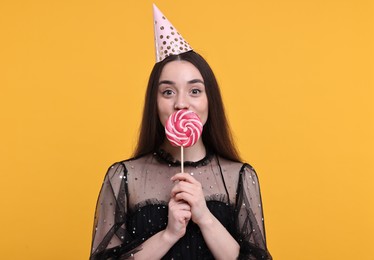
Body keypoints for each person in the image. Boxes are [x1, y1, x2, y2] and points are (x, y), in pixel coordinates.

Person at [90, 5, 272, 260]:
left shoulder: (240, 176)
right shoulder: (124, 177)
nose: (181, 103)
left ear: (211, 101)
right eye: (168, 92)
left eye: (195, 91)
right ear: (154, 103)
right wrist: (169, 234)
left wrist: (205, 217)